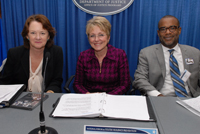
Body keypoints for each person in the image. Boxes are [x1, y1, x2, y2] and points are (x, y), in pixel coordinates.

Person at [133, 15, 200, 97]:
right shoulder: (146, 53)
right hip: (160, 98)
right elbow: (140, 79)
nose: (168, 32)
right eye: (163, 29)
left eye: (172, 28)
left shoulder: (195, 53)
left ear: (179, 30)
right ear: (158, 33)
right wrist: (158, 95)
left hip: (191, 99)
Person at [0, 14, 63, 93]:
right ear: (27, 35)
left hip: (46, 99)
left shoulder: (56, 52)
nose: (38, 37)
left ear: (48, 36)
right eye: (33, 33)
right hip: (19, 100)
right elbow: (5, 83)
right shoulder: (14, 54)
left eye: (42, 33)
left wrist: (50, 93)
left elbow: (56, 81)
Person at [73, 16, 130, 95]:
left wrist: (106, 97)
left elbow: (125, 84)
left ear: (108, 37)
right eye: (92, 36)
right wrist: (88, 94)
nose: (96, 39)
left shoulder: (120, 55)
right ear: (88, 38)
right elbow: (77, 84)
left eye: (101, 35)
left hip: (112, 98)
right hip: (90, 98)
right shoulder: (83, 56)